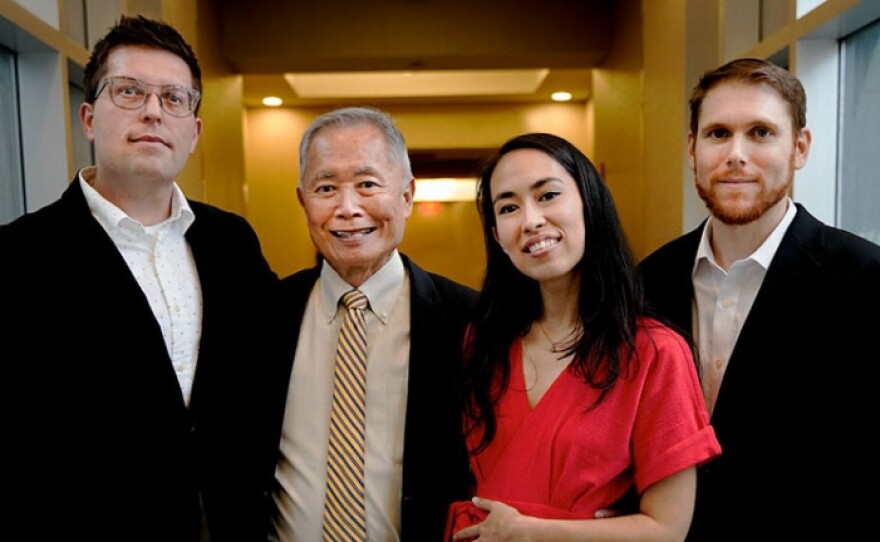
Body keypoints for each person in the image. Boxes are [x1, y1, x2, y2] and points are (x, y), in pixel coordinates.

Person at [0, 15, 277, 542]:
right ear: (88, 117)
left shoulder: (232, 243)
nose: (153, 109)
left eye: (174, 98)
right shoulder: (17, 257)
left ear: (193, 131)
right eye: (129, 91)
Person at [638, 57, 880, 541]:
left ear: (800, 147)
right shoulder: (647, 280)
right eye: (718, 133)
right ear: (692, 149)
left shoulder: (866, 279)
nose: (736, 154)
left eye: (762, 133)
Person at [446, 132, 721, 541]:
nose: (531, 220)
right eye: (508, 207)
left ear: (590, 204)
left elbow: (668, 530)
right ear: (497, 235)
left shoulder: (654, 352)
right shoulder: (482, 342)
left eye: (548, 195)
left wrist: (531, 532)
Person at [263, 106, 477, 541]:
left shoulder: (468, 320)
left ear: (406, 195)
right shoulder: (262, 315)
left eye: (367, 185)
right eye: (326, 188)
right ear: (303, 201)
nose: (347, 208)